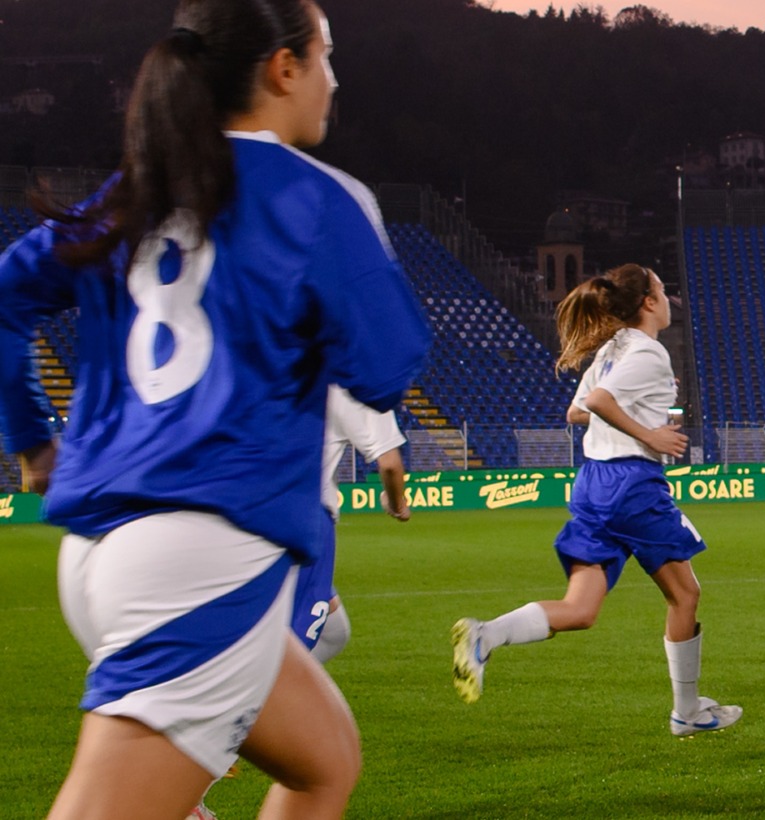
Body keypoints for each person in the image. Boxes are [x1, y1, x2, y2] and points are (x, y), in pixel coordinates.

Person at [0, 2, 431, 818]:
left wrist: (30, 440)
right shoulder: (314, 197)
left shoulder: (137, 190)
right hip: (200, 557)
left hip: (100, 554)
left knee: (325, 760)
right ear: (282, 68)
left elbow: (5, 296)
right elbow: (385, 367)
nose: (334, 81)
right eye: (326, 57)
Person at [451, 264, 741, 737]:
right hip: (631, 485)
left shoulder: (612, 349)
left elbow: (576, 410)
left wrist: (632, 422)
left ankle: (487, 634)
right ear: (648, 302)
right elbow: (601, 402)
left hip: (593, 483)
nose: (669, 298)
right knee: (685, 594)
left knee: (581, 610)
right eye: (663, 290)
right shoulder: (647, 352)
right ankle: (687, 711)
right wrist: (649, 433)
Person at [296, 385, 412, 664]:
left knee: (334, 632)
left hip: (237, 510)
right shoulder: (359, 380)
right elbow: (390, 465)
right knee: (281, 655)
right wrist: (397, 503)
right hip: (301, 521)